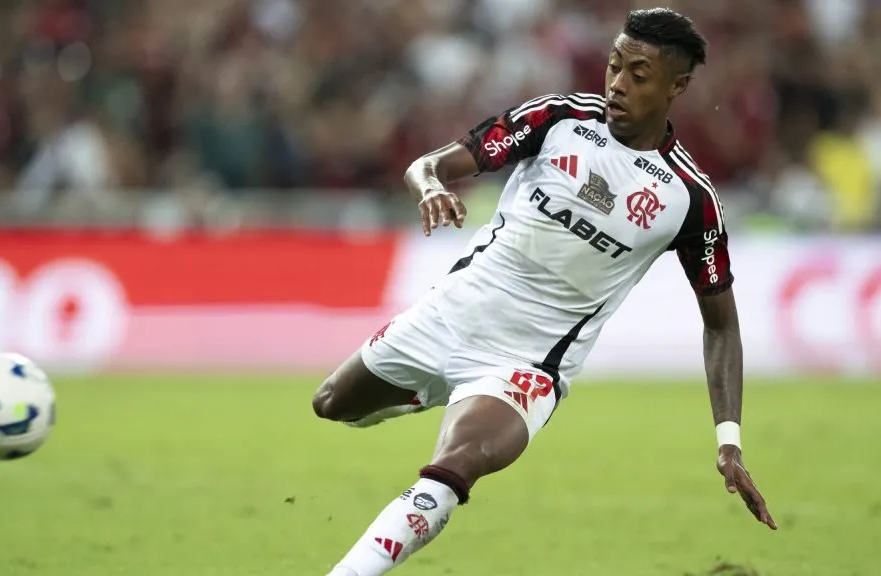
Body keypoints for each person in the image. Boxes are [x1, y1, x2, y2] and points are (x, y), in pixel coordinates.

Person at [312, 8, 777, 575]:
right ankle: (420, 393)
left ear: (677, 86)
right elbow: (429, 163)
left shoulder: (689, 199)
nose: (618, 84)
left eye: (638, 74)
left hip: (527, 365)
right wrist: (430, 185)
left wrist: (728, 441)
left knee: (457, 465)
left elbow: (722, 324)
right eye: (614, 67)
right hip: (451, 315)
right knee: (331, 404)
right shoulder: (557, 118)